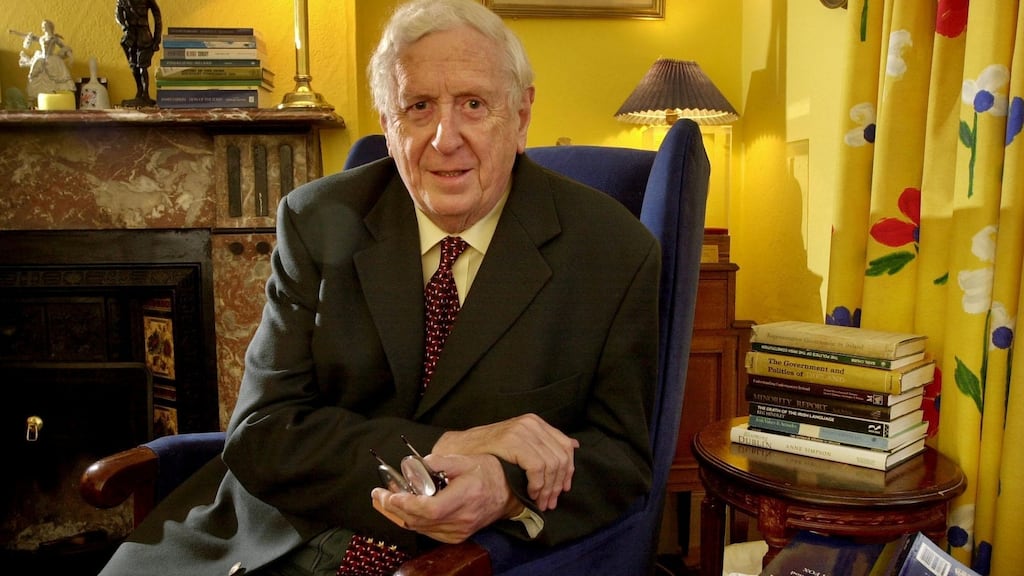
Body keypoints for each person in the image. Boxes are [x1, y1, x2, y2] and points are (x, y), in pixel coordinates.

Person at [98, 0, 660, 574]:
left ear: (520, 116)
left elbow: (621, 459)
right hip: (267, 537)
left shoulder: (613, 251)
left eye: (473, 104)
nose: (447, 138)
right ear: (388, 125)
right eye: (419, 107)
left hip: (452, 560)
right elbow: (262, 433)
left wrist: (507, 489)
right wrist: (452, 444)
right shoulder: (315, 221)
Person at [115, 0, 162, 107]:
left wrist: (156, 39)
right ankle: (139, 92)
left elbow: (157, 17)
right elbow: (118, 14)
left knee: (142, 66)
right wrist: (125, 26)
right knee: (133, 66)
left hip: (144, 36)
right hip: (130, 37)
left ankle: (145, 94)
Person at [16, 20, 75, 101]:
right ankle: (33, 99)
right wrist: (14, 32)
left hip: (52, 60)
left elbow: (64, 47)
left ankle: (53, 99)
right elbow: (27, 36)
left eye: (44, 25)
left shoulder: (55, 38)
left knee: (55, 79)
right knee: (37, 78)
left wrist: (71, 58)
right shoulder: (41, 38)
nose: (43, 27)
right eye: (42, 26)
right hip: (41, 59)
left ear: (49, 26)